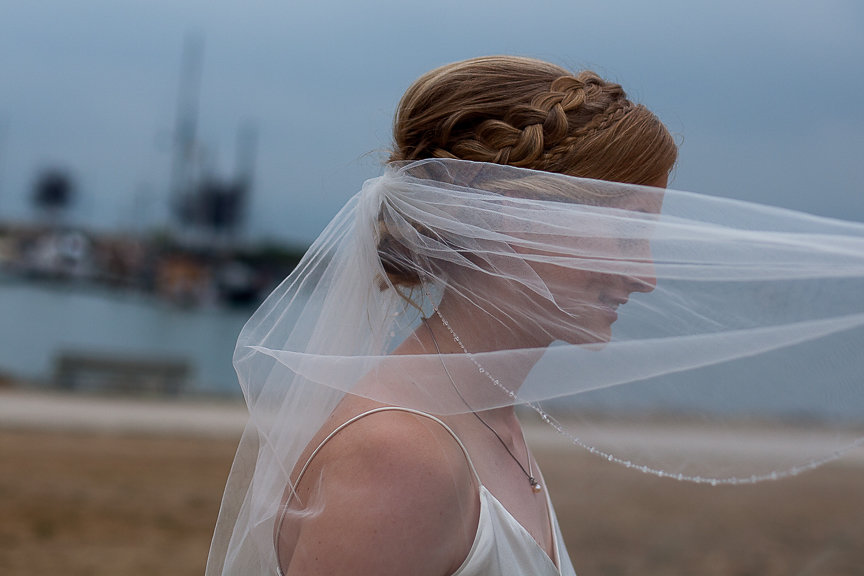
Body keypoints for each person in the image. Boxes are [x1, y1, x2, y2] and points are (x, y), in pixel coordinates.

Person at [207, 56, 864, 576]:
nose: (647, 275)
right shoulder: (398, 455)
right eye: (625, 236)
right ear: (513, 225)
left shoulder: (488, 421)